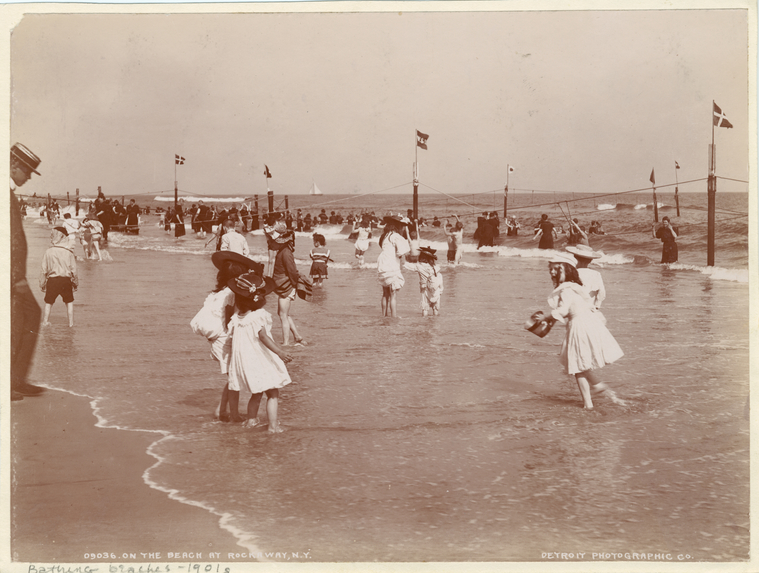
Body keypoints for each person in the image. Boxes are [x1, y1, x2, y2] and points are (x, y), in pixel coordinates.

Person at [532, 254, 624, 410]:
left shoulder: (566, 289)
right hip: (587, 323)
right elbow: (571, 309)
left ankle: (592, 395)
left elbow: (563, 309)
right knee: (578, 363)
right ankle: (593, 393)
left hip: (579, 326)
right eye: (550, 269)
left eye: (556, 269)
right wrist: (552, 320)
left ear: (565, 270)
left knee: (577, 365)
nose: (552, 272)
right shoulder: (574, 286)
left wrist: (544, 317)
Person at [191, 251, 264, 423]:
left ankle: (222, 410)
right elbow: (232, 319)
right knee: (234, 378)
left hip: (216, 339)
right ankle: (232, 414)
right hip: (223, 339)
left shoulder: (217, 293)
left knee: (233, 376)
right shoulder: (231, 294)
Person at [227, 270, 293, 432]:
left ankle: (251, 421)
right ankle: (273, 426)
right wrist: (280, 352)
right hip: (259, 360)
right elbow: (263, 337)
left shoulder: (237, 319)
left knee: (257, 393)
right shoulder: (258, 316)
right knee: (273, 393)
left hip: (247, 362)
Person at [10, 142, 46, 400]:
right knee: (19, 321)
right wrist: (16, 277)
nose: (29, 177)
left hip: (12, 274)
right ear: (14, 165)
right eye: (28, 171)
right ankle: (12, 380)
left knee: (26, 317)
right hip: (11, 276)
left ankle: (16, 379)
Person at [271, 230, 307, 346]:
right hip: (285, 285)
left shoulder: (285, 252)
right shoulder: (284, 251)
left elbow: (292, 271)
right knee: (283, 314)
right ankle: (297, 336)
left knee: (283, 315)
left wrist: (294, 285)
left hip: (286, 286)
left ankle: (286, 342)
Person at [40, 227, 78, 327]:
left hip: (52, 280)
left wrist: (42, 283)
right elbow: (74, 270)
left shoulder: (48, 251)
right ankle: (71, 324)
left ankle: (45, 321)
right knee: (69, 302)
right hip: (66, 280)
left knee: (48, 303)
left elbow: (44, 270)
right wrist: (75, 283)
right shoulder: (69, 252)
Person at [377, 214, 410, 318]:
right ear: (397, 226)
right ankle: (394, 317)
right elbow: (403, 252)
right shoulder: (395, 236)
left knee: (385, 293)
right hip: (391, 264)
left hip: (382, 264)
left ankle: (384, 316)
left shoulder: (385, 236)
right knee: (393, 294)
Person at [566, 244, 606, 316]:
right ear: (590, 260)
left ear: (575, 257)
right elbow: (602, 293)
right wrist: (597, 306)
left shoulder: (572, 273)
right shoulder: (596, 274)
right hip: (591, 310)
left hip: (576, 310)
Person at [403, 246, 444, 317]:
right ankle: (435, 323)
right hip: (436, 289)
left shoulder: (419, 266)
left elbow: (406, 265)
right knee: (435, 308)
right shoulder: (436, 267)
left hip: (425, 289)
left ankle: (425, 323)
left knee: (425, 308)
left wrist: (403, 257)